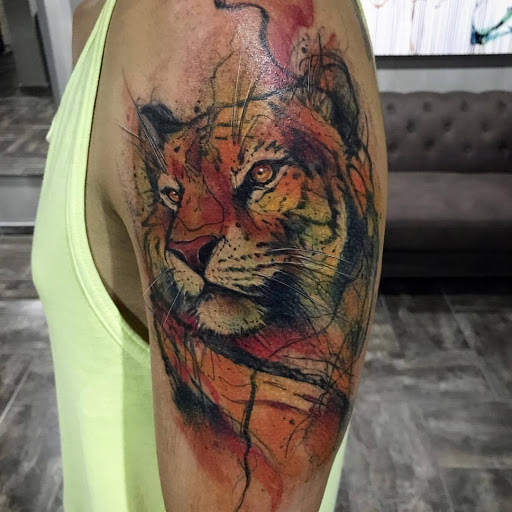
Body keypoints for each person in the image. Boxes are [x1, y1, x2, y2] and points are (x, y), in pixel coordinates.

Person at [32, 0, 387, 510]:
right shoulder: (92, 17)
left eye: (260, 175)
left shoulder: (199, 16)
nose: (190, 240)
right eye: (174, 195)